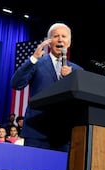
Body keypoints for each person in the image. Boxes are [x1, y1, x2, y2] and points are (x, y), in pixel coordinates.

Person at [10, 22, 83, 151]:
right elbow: (16, 84)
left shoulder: (77, 71)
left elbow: (81, 102)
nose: (60, 39)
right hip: (36, 132)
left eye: (64, 36)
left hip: (63, 135)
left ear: (69, 42)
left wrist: (72, 79)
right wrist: (33, 58)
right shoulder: (37, 63)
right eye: (56, 36)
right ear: (49, 42)